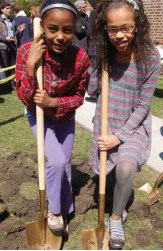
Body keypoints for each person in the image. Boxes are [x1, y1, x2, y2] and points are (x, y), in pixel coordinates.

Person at [87, 0, 160, 249]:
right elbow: (92, 91)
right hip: (107, 119)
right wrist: (97, 66)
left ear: (136, 25)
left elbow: (142, 107)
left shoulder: (150, 60)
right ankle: (114, 198)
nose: (119, 35)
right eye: (112, 29)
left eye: (126, 28)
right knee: (108, 172)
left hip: (133, 125)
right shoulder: (103, 53)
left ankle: (116, 217)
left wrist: (119, 137)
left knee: (126, 168)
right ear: (104, 29)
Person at [16, 0, 90, 233]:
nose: (60, 36)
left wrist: (54, 101)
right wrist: (30, 66)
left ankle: (66, 210)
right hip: (38, 117)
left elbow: (79, 97)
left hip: (65, 117)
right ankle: (55, 211)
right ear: (42, 27)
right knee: (57, 161)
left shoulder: (80, 57)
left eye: (67, 30)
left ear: (74, 29)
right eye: (53, 29)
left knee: (64, 165)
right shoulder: (27, 51)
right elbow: (24, 96)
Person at [0, 2, 16, 92]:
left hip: (12, 45)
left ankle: (12, 85)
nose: (9, 10)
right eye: (7, 8)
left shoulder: (12, 20)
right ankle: (5, 87)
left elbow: (13, 32)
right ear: (2, 10)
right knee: (5, 67)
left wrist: (18, 31)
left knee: (13, 66)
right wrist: (5, 38)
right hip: (3, 47)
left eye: (10, 8)